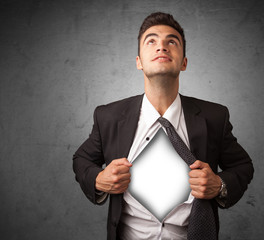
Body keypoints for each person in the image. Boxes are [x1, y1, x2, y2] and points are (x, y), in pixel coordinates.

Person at [73, 12, 254, 240]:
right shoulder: (108, 116)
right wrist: (98, 179)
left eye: (171, 41)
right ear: (138, 61)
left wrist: (219, 185)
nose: (162, 47)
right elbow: (81, 160)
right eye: (151, 41)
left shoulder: (214, 117)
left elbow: (243, 166)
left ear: (184, 62)